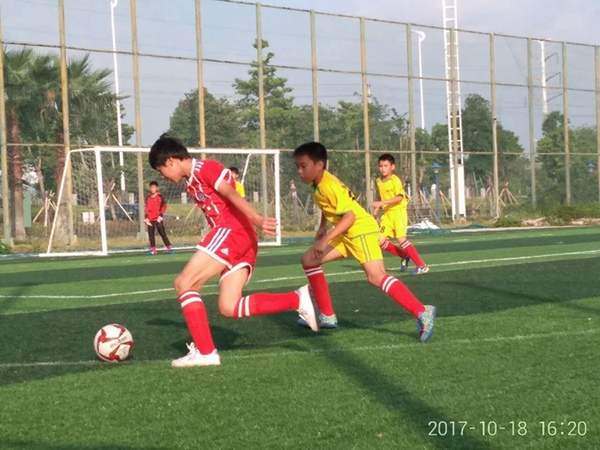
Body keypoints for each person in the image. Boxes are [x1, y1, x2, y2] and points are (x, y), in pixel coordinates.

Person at [149, 134, 318, 367]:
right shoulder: (190, 180)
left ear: (170, 161)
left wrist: (257, 218)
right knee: (229, 306)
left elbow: (230, 193)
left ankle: (206, 353)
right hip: (242, 237)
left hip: (232, 231)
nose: (162, 177)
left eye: (161, 171)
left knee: (184, 283)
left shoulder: (205, 168)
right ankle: (295, 299)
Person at [293, 142, 435, 341]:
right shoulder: (318, 183)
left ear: (319, 165)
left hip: (360, 230)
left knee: (376, 276)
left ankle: (421, 311)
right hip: (346, 232)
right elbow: (330, 207)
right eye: (297, 166)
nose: (299, 171)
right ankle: (327, 315)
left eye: (303, 166)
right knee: (309, 260)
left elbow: (349, 217)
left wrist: (325, 240)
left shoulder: (328, 185)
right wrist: (323, 226)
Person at [372, 154, 429, 275]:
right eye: (381, 166)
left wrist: (382, 203)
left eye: (386, 166)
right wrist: (376, 211)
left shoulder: (395, 180)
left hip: (399, 213)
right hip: (387, 215)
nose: (383, 168)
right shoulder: (378, 181)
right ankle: (404, 256)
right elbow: (381, 198)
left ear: (392, 167)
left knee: (401, 239)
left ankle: (422, 266)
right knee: (379, 241)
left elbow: (399, 197)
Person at [144, 181, 174, 255]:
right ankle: (153, 250)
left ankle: (169, 248)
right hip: (150, 219)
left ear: (157, 188)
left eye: (154, 187)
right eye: (151, 187)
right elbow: (147, 208)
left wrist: (160, 216)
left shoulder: (160, 197)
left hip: (158, 219)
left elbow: (164, 206)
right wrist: (146, 217)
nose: (153, 189)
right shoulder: (148, 198)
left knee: (162, 233)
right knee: (151, 235)